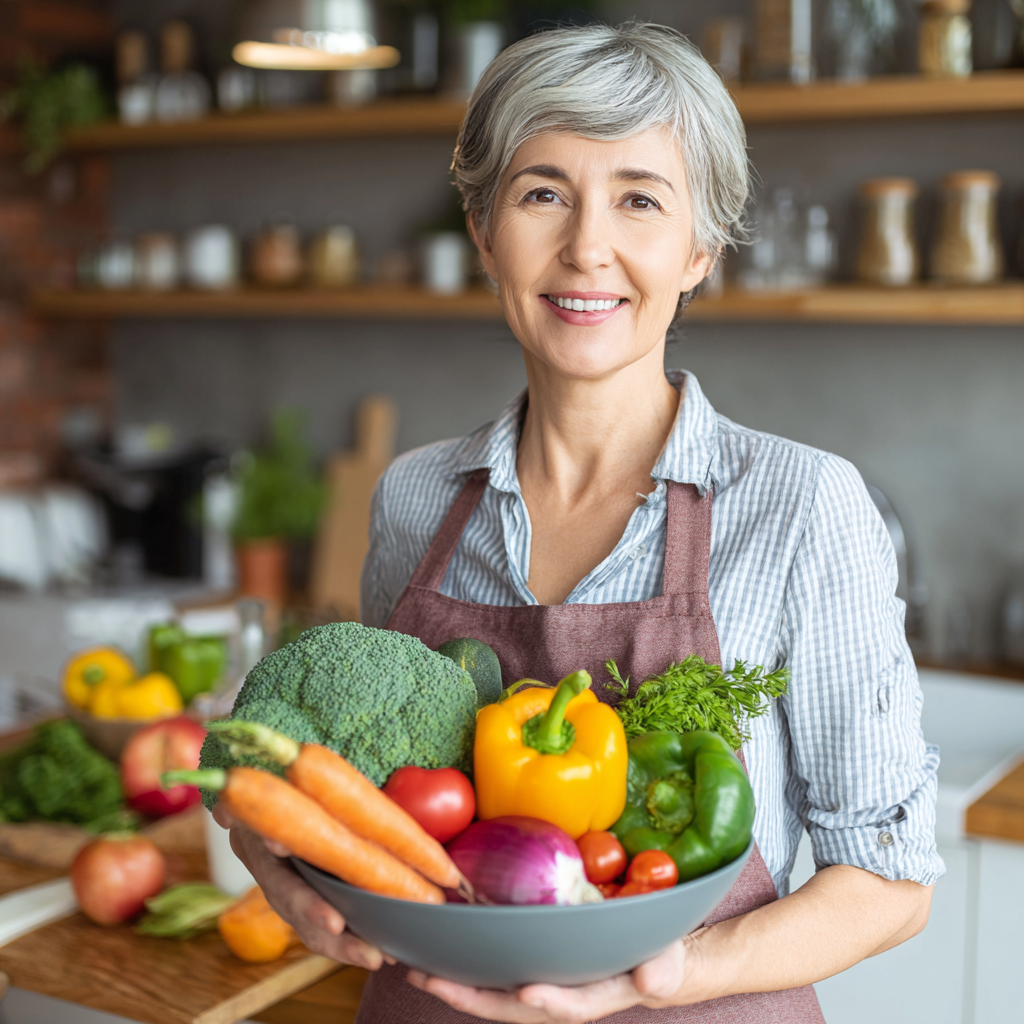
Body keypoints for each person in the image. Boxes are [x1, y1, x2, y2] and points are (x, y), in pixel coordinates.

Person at [216, 22, 942, 1024]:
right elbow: (356, 787)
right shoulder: (416, 498)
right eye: (542, 192)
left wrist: (663, 975)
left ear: (697, 249)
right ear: (483, 231)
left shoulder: (803, 506)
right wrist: (276, 856)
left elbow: (891, 879)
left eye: (639, 198)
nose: (585, 247)